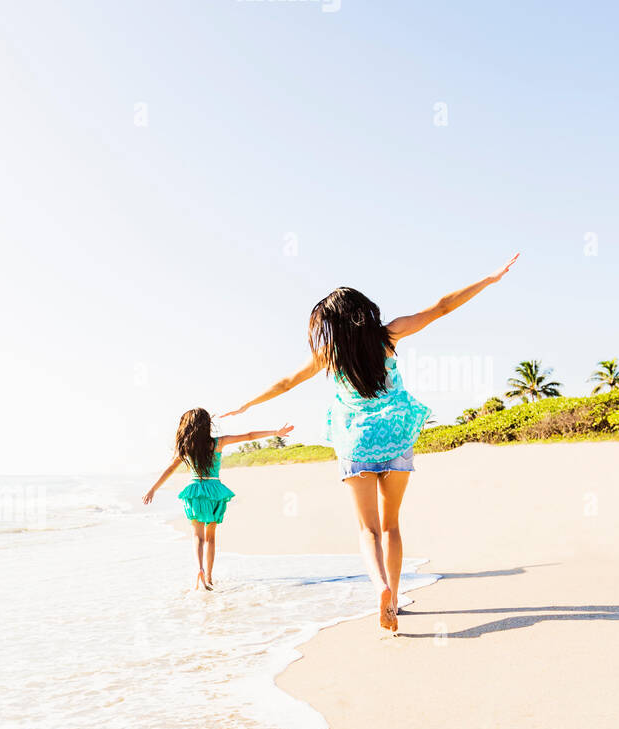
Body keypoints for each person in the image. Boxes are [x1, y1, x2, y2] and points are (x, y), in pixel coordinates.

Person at [221, 254, 519, 631]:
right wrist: (488, 280)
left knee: (368, 530)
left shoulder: (330, 354)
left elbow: (285, 383)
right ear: (364, 310)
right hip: (396, 435)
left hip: (356, 439)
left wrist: (247, 404)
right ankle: (394, 599)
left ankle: (378, 586)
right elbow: (442, 307)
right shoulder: (389, 335)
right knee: (392, 525)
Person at [143, 407, 294, 590]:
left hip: (195, 491)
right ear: (207, 425)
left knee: (197, 536)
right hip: (215, 490)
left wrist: (153, 489)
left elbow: (169, 470)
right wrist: (275, 432)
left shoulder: (186, 447)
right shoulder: (218, 443)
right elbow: (248, 436)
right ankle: (210, 576)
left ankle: (199, 569)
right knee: (210, 537)